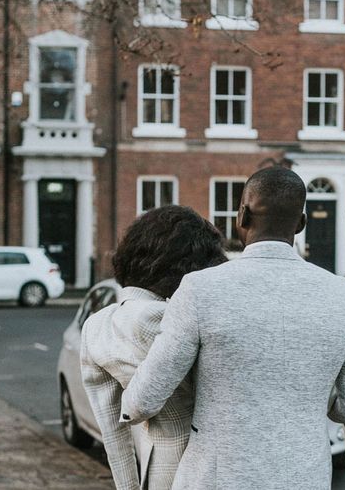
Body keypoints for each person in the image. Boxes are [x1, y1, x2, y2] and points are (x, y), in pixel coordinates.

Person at [120, 167, 345, 490]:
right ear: (300, 224)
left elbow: (145, 399)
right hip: (304, 477)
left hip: (217, 478)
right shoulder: (344, 294)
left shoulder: (200, 289)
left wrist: (124, 404)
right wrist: (309, 399)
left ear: (242, 215)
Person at [80, 206, 227, 490]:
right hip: (202, 465)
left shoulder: (95, 327)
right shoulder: (167, 319)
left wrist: (128, 487)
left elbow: (112, 432)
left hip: (157, 463)